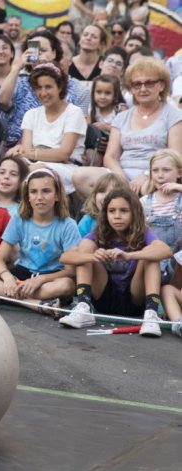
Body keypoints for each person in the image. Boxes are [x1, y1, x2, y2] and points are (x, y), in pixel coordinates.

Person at [0, 168, 80, 316]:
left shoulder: (68, 225)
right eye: (33, 192)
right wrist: (7, 277)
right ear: (27, 196)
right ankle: (34, 304)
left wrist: (40, 279)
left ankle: (1, 296)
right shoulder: (19, 220)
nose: (39, 197)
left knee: (67, 285)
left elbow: (70, 271)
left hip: (49, 278)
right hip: (21, 275)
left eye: (46, 191)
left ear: (57, 195)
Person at [60, 188, 169, 335]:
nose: (117, 216)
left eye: (124, 211)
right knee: (86, 247)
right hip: (104, 298)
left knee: (150, 255)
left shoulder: (143, 232)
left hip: (135, 299)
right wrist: (94, 257)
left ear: (134, 212)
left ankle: (151, 314)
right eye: (112, 211)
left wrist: (130, 255)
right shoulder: (99, 233)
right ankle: (83, 306)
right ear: (105, 214)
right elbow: (65, 257)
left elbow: (165, 250)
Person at [72, 58, 182, 198]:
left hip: (157, 173)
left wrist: (147, 175)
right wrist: (120, 177)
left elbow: (174, 156)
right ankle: (107, 215)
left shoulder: (175, 116)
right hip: (122, 172)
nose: (142, 89)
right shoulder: (122, 117)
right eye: (137, 84)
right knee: (80, 176)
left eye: (149, 83)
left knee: (149, 186)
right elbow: (111, 156)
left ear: (161, 85)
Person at [5, 63, 87, 195]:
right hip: (33, 163)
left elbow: (63, 154)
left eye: (48, 87)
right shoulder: (31, 114)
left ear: (60, 87)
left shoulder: (74, 112)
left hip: (66, 167)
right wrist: (24, 153)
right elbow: (26, 150)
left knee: (32, 172)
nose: (43, 93)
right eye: (38, 88)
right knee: (7, 166)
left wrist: (31, 153)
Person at [0, 30, 90, 145]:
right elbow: (3, 101)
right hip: (15, 147)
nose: (38, 54)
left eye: (43, 50)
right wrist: (16, 67)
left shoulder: (79, 90)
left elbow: (78, 129)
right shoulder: (19, 82)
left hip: (55, 147)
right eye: (33, 50)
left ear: (54, 53)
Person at [140, 149, 182, 283]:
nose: (160, 175)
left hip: (177, 262)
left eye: (166, 170)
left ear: (179, 173)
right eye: (155, 170)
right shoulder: (144, 201)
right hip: (153, 259)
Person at [78, 172, 128, 236]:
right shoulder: (88, 221)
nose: (105, 197)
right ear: (94, 195)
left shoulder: (128, 220)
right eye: (102, 191)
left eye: (112, 192)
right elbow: (77, 244)